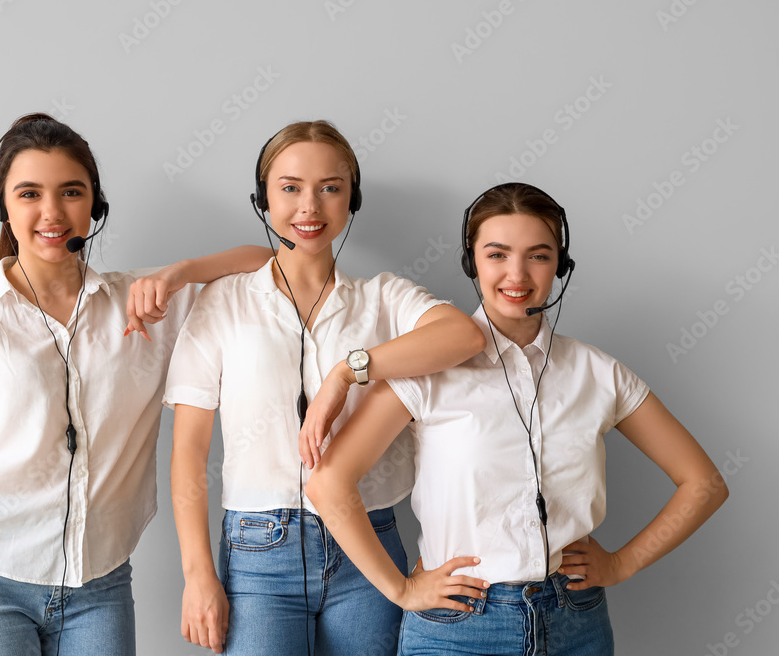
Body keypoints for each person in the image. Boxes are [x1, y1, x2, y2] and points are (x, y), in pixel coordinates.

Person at [0, 113, 273, 656]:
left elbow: (272, 267)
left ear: (95, 204)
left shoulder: (144, 304)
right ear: (4, 205)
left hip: (100, 584)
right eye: (29, 194)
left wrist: (178, 272)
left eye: (71, 192)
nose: (52, 213)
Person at [305, 182, 729, 655]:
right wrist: (400, 590)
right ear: (472, 262)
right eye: (497, 254)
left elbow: (704, 483)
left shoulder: (599, 373)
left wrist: (622, 564)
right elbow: (327, 482)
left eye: (539, 256)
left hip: (576, 622)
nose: (517, 274)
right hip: (460, 627)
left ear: (560, 266)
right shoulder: (425, 373)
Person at [164, 120, 487, 655]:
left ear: (351, 199)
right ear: (262, 199)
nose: (309, 206)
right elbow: (187, 455)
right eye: (290, 187)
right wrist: (198, 574)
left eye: (329, 188)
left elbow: (464, 335)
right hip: (257, 551)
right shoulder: (222, 302)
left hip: (368, 542)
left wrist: (349, 370)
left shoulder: (384, 299)